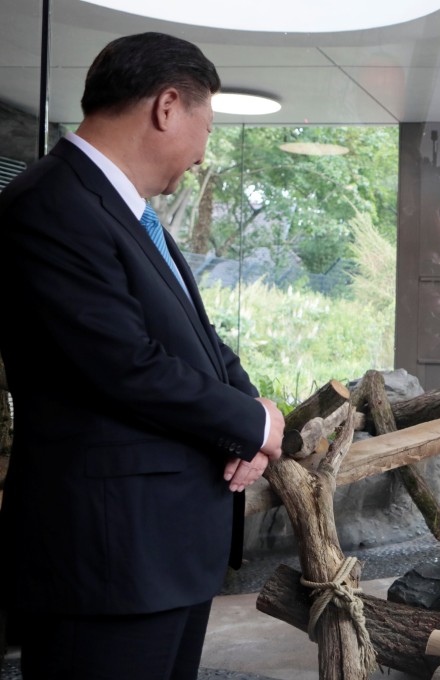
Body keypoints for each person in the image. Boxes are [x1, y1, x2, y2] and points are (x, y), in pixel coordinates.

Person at [0, 32, 285, 679]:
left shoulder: (123, 213)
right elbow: (124, 364)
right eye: (205, 127)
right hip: (105, 556)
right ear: (166, 106)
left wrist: (247, 417)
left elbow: (200, 339)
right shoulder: (51, 206)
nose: (202, 151)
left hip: (156, 551)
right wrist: (254, 424)